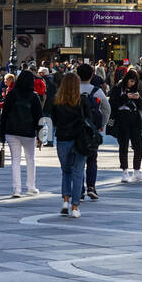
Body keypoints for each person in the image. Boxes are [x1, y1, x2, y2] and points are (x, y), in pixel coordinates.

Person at [52, 72, 94, 217]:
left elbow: (54, 121)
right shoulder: (82, 101)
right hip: (80, 140)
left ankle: (65, 200)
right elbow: (90, 119)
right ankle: (75, 207)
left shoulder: (57, 101)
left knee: (66, 171)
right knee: (78, 173)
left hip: (63, 139)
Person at [0, 70, 42, 197]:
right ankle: (31, 187)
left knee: (15, 160)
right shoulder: (34, 96)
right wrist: (40, 136)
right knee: (30, 159)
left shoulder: (12, 94)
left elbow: (4, 114)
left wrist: (2, 134)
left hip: (11, 131)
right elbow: (39, 117)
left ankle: (17, 189)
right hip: (28, 132)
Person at [110, 69, 142, 184]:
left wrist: (137, 99)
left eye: (134, 82)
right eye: (131, 81)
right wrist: (126, 97)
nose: (132, 84)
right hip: (121, 119)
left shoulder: (135, 89)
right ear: (126, 79)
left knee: (138, 145)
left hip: (134, 119)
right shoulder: (117, 88)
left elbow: (141, 106)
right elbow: (113, 104)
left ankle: (137, 171)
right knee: (123, 145)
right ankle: (124, 171)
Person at [77, 63, 108, 200]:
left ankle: (80, 189)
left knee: (78, 160)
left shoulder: (73, 89)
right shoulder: (97, 91)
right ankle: (91, 187)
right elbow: (107, 108)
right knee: (92, 158)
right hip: (92, 129)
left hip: (76, 128)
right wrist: (102, 124)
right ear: (92, 75)